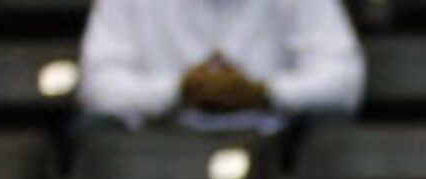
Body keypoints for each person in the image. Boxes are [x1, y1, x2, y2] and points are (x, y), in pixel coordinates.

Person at [76, 0, 362, 128]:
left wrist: (263, 92)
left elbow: (345, 80)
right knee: (93, 131)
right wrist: (178, 91)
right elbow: (96, 86)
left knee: (332, 132)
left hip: (270, 142)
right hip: (159, 143)